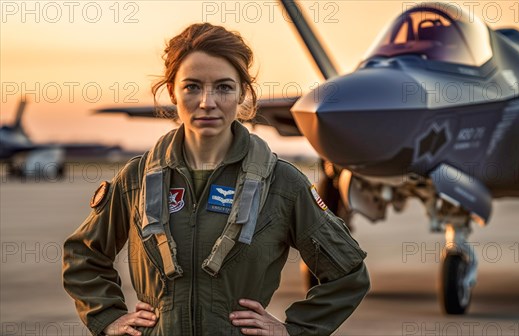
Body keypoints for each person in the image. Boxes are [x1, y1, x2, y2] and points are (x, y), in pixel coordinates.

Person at [63, 23, 370, 336]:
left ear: (243, 93)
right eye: (192, 86)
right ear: (172, 91)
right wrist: (108, 318)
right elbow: (83, 254)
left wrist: (295, 330)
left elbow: (347, 273)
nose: (207, 102)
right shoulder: (136, 180)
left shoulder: (281, 183)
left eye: (223, 87)